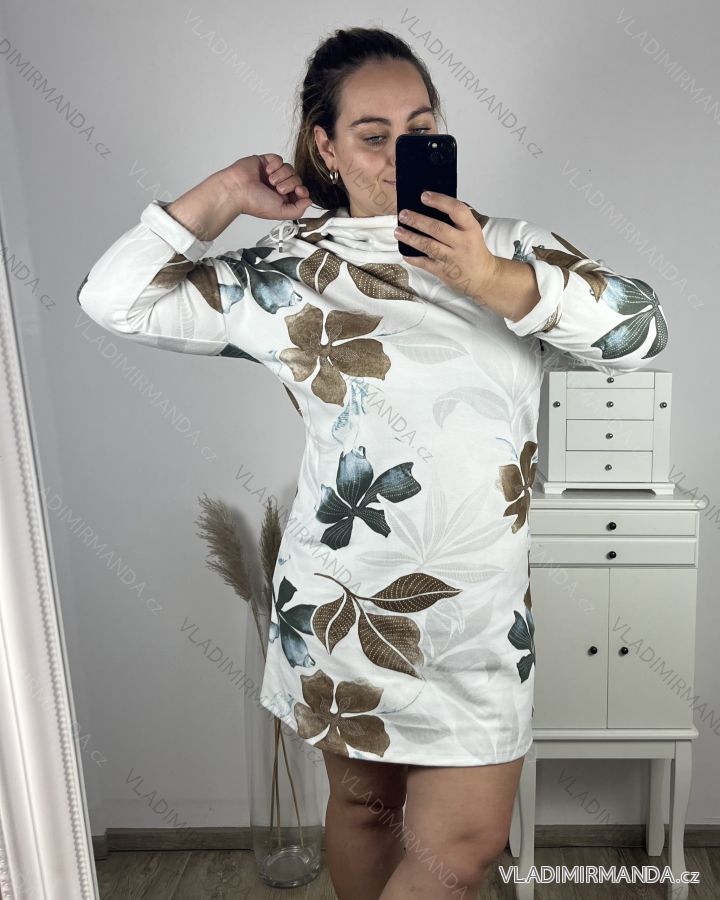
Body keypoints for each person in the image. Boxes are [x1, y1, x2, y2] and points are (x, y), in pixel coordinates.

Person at [77, 25, 669, 900]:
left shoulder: (506, 247)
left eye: (420, 129)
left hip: (479, 615)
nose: (400, 154)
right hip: (343, 607)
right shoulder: (286, 271)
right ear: (325, 146)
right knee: (364, 812)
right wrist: (228, 192)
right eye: (372, 134)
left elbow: (641, 330)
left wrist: (488, 279)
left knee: (465, 846)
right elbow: (113, 299)